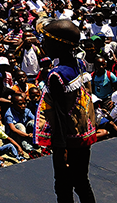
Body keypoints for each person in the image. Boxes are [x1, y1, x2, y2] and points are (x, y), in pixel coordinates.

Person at [34, 18, 97, 203]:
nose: (43, 43)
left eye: (46, 40)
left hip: (66, 140)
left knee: (63, 186)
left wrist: (61, 150)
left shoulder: (57, 75)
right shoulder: (79, 64)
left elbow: (60, 115)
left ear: (58, 45)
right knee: (81, 182)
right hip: (82, 136)